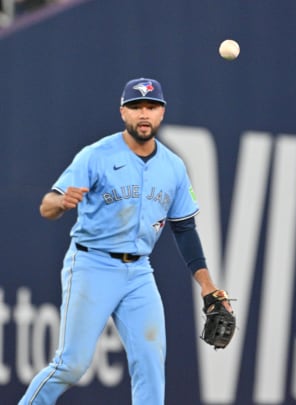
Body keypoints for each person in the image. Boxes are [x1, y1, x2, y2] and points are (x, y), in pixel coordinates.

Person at [19, 77, 232, 405]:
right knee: (72, 364)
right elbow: (47, 204)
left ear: (162, 113)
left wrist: (208, 286)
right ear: (123, 113)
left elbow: (185, 229)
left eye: (151, 106)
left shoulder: (173, 167)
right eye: (136, 107)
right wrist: (60, 203)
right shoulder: (96, 155)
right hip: (92, 264)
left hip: (138, 273)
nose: (143, 114)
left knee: (150, 363)